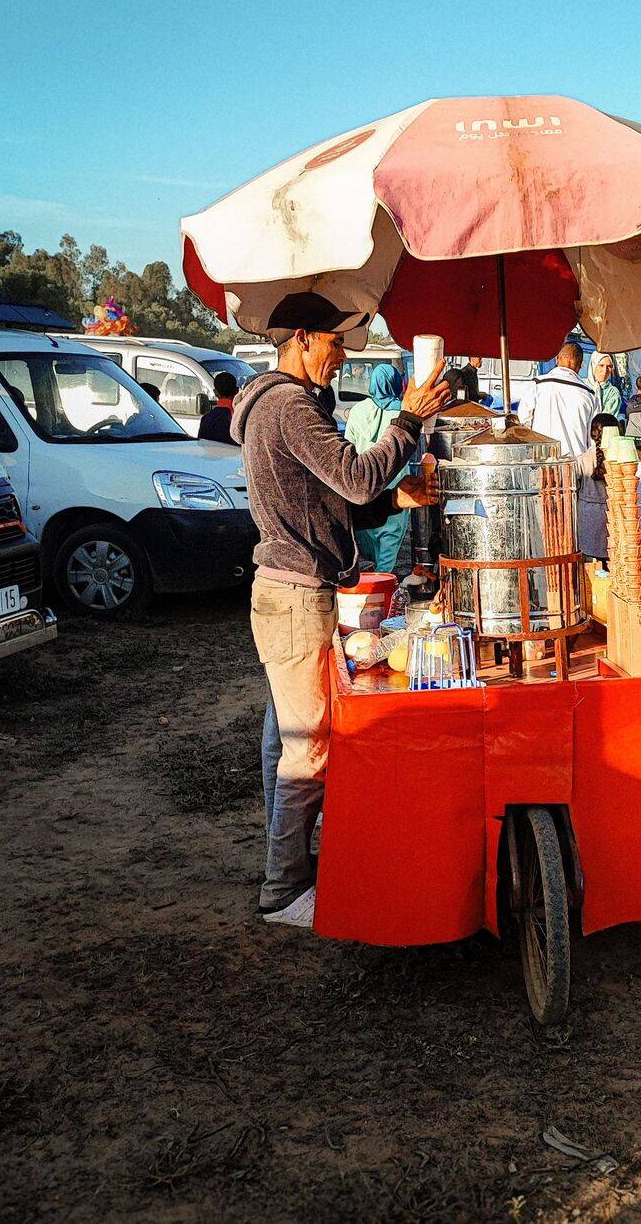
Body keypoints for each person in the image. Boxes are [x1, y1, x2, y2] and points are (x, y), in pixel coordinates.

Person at [230, 293, 450, 926]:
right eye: (336, 343)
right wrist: (406, 420)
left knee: (287, 736)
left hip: (292, 588)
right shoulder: (290, 405)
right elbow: (355, 478)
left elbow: (330, 504)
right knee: (309, 747)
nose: (343, 355)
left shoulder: (283, 405)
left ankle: (287, 867)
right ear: (302, 338)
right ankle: (284, 890)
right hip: (296, 594)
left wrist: (394, 503)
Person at [344, 363, 412, 575]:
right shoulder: (402, 413)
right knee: (389, 542)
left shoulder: (357, 411)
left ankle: (373, 581)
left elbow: (348, 448)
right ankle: (385, 583)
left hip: (364, 486)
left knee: (367, 537)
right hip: (395, 487)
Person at [517, 341, 597, 457]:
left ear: (557, 360)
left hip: (543, 460)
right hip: (576, 464)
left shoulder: (538, 384)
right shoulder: (590, 394)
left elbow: (523, 422)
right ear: (580, 364)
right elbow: (593, 438)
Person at [575, 412, 622, 561]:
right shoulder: (623, 459)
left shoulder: (581, 460)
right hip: (615, 516)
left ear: (592, 434)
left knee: (591, 569)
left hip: (587, 518)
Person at [197, 370, 238, 444]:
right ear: (237, 391)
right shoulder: (240, 416)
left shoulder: (206, 419)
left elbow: (202, 445)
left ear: (215, 392)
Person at [588, 352, 625, 420]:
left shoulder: (613, 393)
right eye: (601, 365)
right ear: (594, 365)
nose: (605, 371)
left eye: (609, 366)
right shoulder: (583, 386)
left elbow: (604, 422)